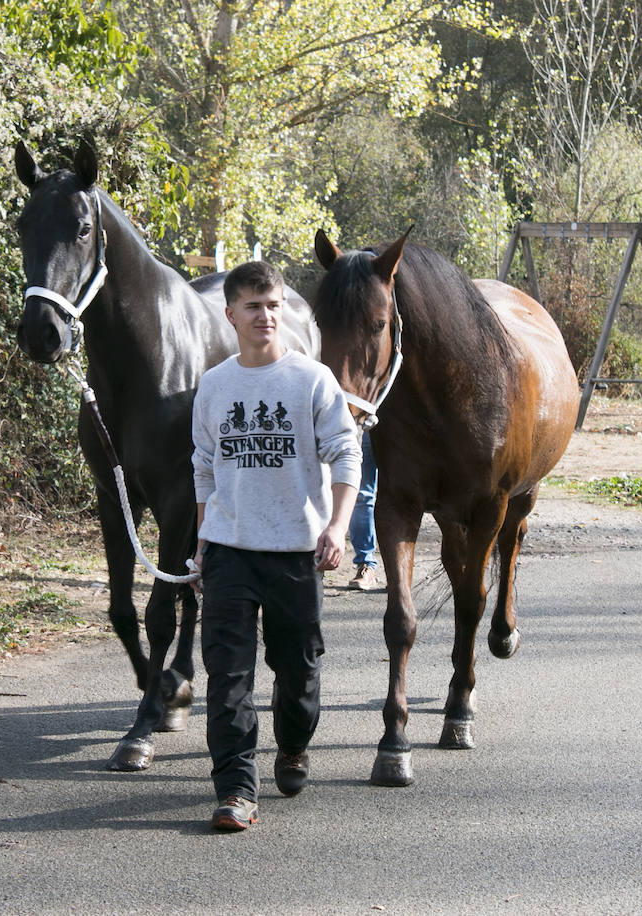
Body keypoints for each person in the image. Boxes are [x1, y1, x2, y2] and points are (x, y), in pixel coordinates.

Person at [191, 260, 361, 832]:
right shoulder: (214, 386)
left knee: (299, 668)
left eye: (274, 305)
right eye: (253, 306)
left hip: (296, 551)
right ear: (231, 313)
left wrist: (336, 527)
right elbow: (204, 470)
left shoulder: (312, 380)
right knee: (227, 675)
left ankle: (293, 743)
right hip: (228, 551)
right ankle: (236, 790)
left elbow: (346, 454)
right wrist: (200, 542)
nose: (265, 316)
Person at [347, 432, 381, 590]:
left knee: (401, 496)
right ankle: (365, 565)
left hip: (400, 421)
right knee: (361, 496)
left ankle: (396, 571)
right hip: (367, 424)